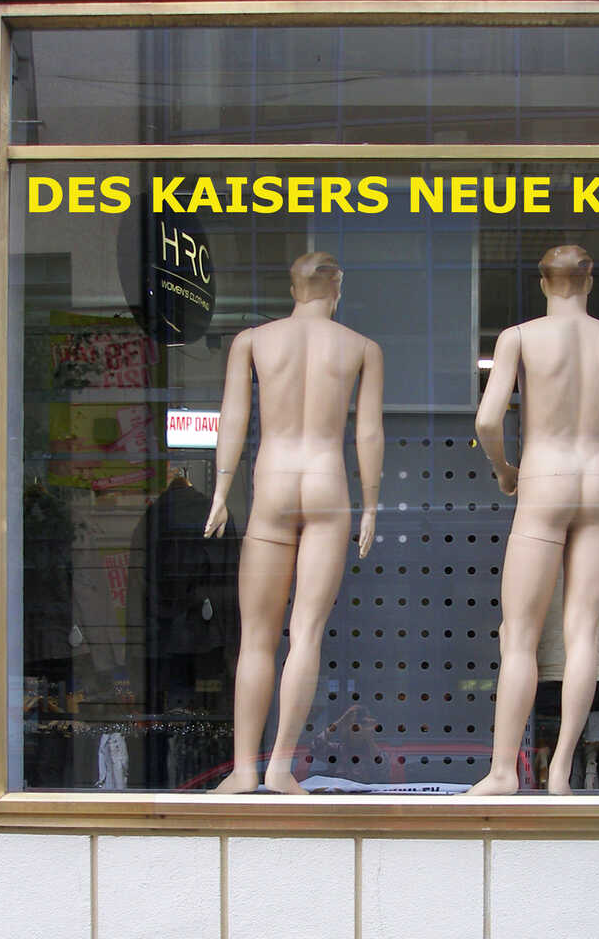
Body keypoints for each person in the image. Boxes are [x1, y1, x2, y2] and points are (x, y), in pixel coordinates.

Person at [204, 251, 384, 794]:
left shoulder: (253, 341)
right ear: (338, 288)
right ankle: (280, 767)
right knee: (306, 632)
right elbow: (367, 432)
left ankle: (244, 768)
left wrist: (221, 489)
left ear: (292, 289)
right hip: (327, 484)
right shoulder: (361, 347)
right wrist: (371, 503)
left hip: (273, 485)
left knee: (257, 637)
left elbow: (233, 418)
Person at [467, 244, 599, 795]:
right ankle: (562, 770)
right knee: (582, 631)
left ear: (543, 284)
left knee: (519, 635)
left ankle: (503, 771)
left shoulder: (519, 337)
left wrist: (504, 470)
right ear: (590, 283)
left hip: (544, 479)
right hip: (596, 482)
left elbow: (487, 420)